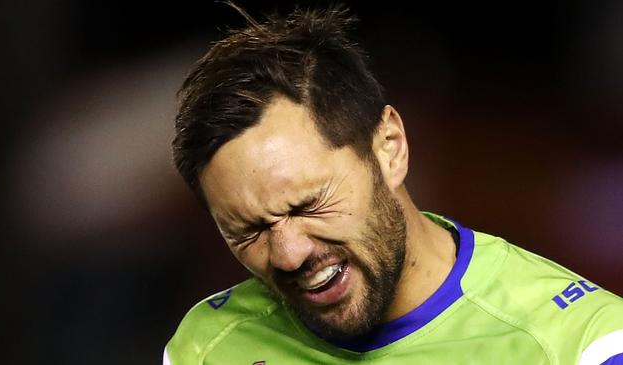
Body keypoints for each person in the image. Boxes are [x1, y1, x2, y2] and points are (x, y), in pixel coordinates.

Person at [165, 4, 623, 364]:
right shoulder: (206, 347)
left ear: (389, 148)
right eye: (247, 231)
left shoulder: (582, 346)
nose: (288, 254)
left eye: (307, 205)